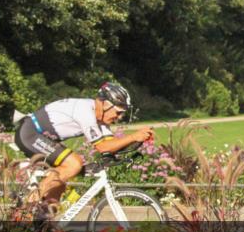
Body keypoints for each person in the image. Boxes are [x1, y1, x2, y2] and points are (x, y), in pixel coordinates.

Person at [14, 82, 152, 210]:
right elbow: (103, 147)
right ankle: (25, 209)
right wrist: (133, 136)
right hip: (30, 133)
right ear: (104, 104)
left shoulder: (99, 118)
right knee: (74, 164)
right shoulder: (86, 112)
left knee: (59, 186)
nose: (120, 117)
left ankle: (43, 227)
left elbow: (111, 145)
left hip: (39, 136)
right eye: (118, 112)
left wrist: (137, 142)